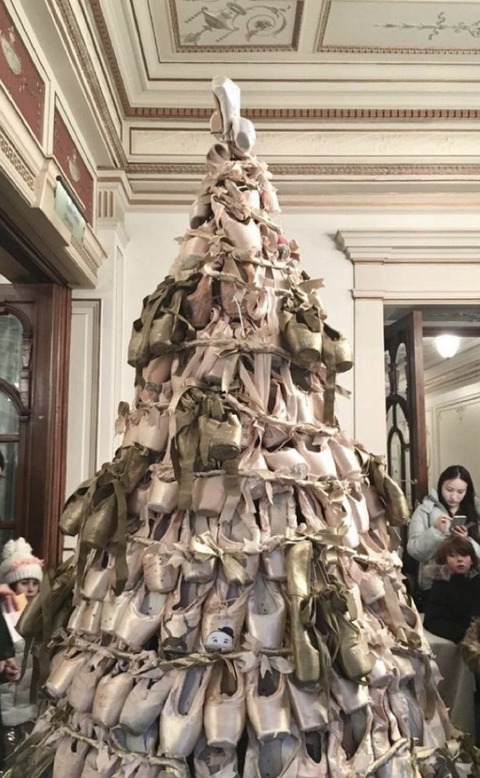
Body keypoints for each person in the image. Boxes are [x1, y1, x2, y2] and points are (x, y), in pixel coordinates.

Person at [407, 465, 480, 599]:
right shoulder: (425, 510)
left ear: (467, 491)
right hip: (434, 584)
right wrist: (436, 532)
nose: (454, 497)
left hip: (471, 584)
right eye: (449, 490)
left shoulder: (475, 511)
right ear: (441, 486)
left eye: (460, 492)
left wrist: (466, 541)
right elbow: (414, 551)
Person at [0, 538, 43, 766]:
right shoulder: (3, 617)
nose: (30, 588)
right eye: (24, 582)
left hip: (30, 701)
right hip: (6, 696)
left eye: (35, 583)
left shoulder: (42, 616)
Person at [423, 535, 480, 644]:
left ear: (472, 560)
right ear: (445, 561)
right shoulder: (441, 586)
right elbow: (433, 620)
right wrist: (463, 635)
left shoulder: (477, 582)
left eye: (464, 555)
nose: (459, 559)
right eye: (452, 556)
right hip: (463, 641)